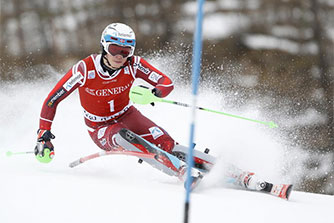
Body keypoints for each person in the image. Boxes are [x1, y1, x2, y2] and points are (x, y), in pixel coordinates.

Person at [35, 23, 292, 198]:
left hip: (128, 114)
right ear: (104, 46)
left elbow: (166, 82)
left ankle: (241, 175)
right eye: (115, 49)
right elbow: (51, 100)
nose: (120, 56)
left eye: (126, 50)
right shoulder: (84, 69)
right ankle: (182, 172)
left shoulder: (133, 65)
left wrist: (154, 92)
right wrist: (43, 134)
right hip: (101, 127)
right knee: (126, 138)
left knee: (168, 144)